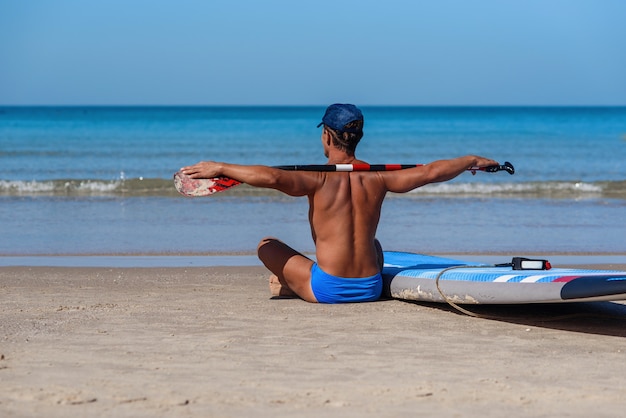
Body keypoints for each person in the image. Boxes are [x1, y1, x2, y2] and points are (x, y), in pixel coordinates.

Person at [181, 104, 498, 304]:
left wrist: (220, 167)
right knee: (372, 242)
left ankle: (292, 286)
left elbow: (271, 177)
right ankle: (294, 284)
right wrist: (470, 159)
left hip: (328, 289)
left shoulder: (316, 178)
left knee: (267, 245)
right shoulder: (377, 177)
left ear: (328, 137)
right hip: (371, 287)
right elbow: (429, 172)